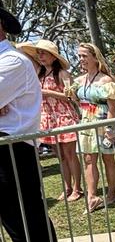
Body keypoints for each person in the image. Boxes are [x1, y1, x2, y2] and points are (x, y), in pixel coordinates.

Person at [0, 2, 65, 242]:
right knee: (10, 214)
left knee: (29, 210)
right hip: (6, 144)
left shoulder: (12, 61)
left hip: (14, 145)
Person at [72, 43, 115, 214]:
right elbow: (78, 102)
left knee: (108, 158)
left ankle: (111, 194)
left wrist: (109, 127)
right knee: (88, 159)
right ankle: (92, 196)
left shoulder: (106, 80)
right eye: (79, 56)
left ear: (95, 57)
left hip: (102, 121)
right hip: (86, 121)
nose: (81, 60)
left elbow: (112, 107)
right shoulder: (78, 80)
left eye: (84, 56)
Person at [33, 39, 82, 201]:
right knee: (60, 155)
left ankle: (77, 188)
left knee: (70, 154)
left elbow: (72, 97)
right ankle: (67, 187)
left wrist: (49, 92)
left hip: (63, 117)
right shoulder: (38, 75)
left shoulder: (62, 74)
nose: (40, 56)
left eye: (44, 53)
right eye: (39, 53)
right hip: (47, 118)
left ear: (53, 56)